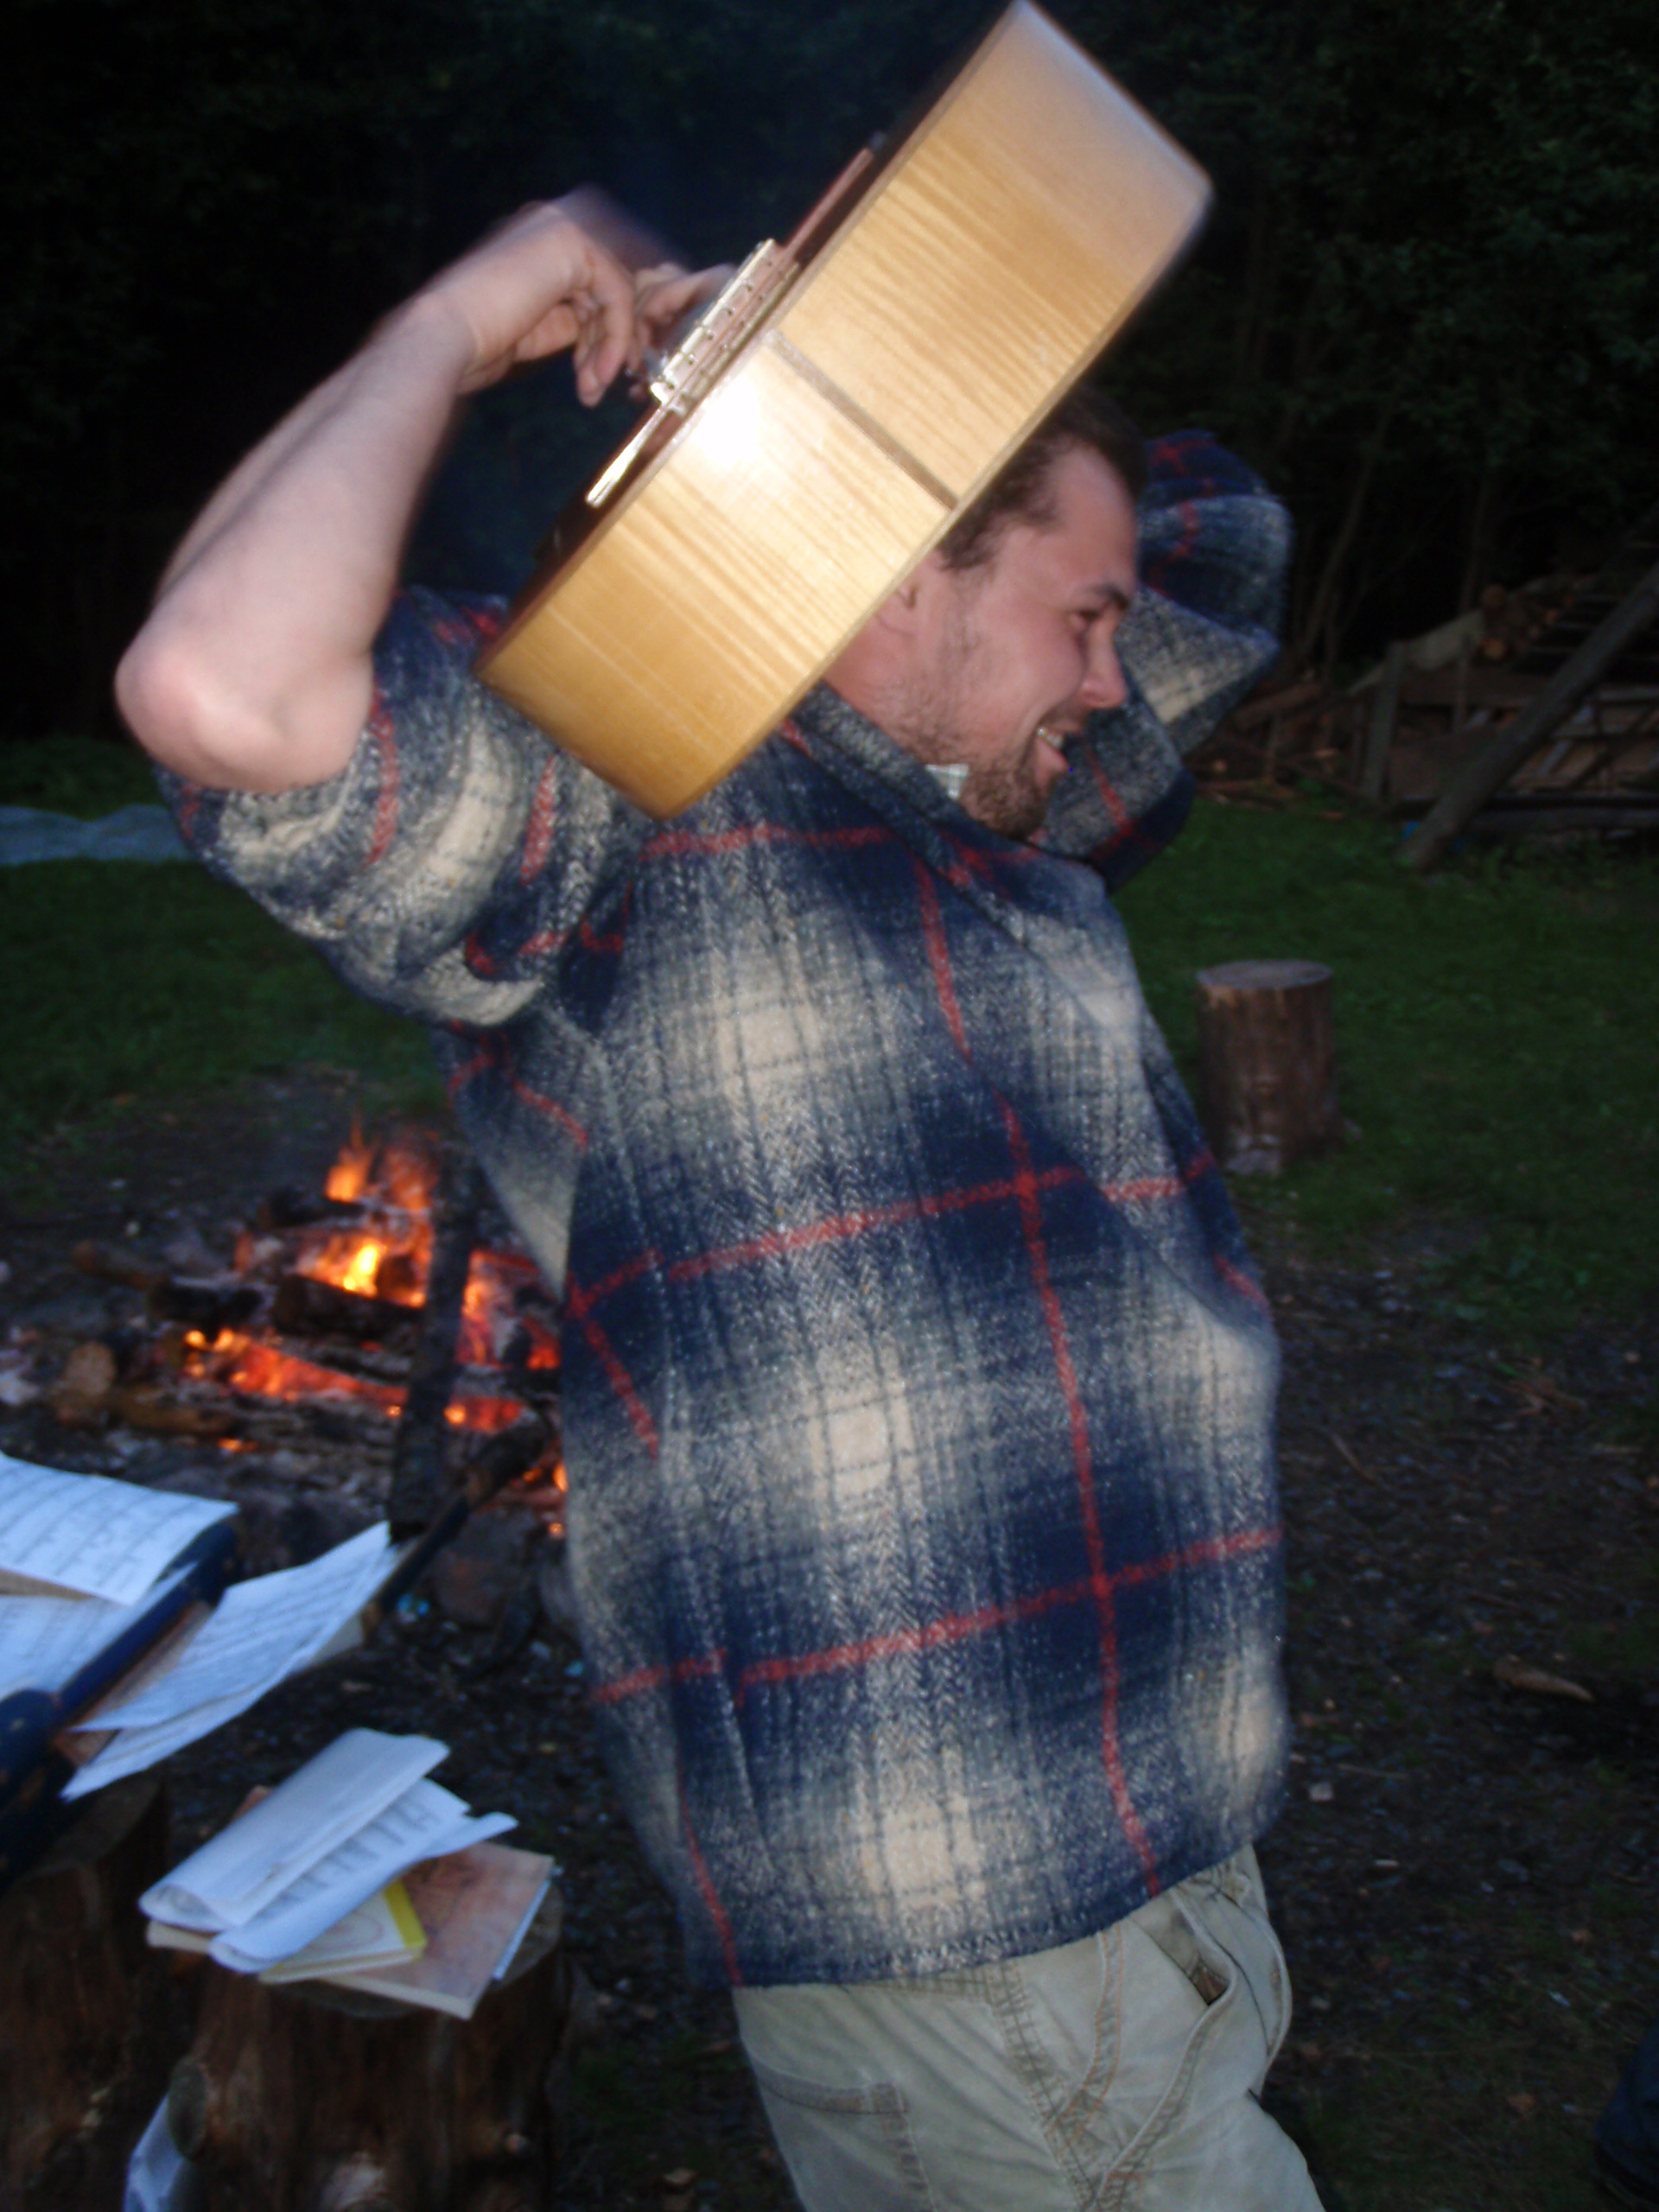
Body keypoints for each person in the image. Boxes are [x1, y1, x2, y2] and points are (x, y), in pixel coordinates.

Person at [119, 200, 1319, 2210]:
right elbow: (219, 685)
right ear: (903, 566)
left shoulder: (999, 782)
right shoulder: (633, 794)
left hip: (1148, 1840)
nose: (1118, 672)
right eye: (1085, 618)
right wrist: (457, 323)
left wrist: (848, 342)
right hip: (968, 1924)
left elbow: (1224, 534)